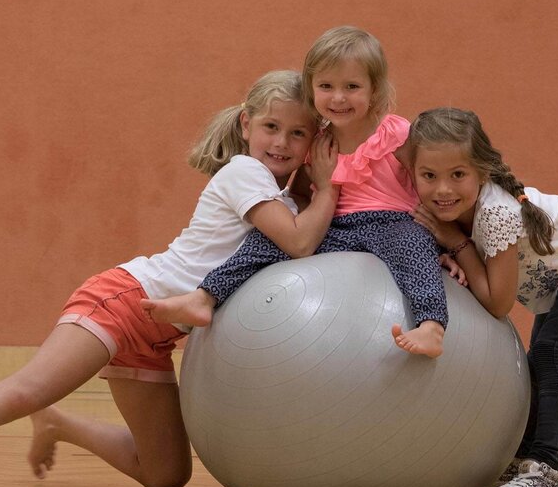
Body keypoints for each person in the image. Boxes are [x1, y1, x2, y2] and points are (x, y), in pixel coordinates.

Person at [0, 70, 340, 487]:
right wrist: (328, 189)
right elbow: (300, 242)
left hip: (156, 332)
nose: (281, 142)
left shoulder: (281, 196)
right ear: (246, 124)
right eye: (271, 126)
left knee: (164, 476)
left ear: (313, 142)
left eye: (298, 134)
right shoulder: (244, 172)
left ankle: (60, 424)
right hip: (125, 300)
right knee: (28, 389)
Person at [143, 27, 451, 357]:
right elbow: (302, 193)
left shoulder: (396, 134)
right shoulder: (317, 143)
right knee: (262, 242)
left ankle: (432, 324)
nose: (338, 97)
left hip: (392, 224)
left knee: (413, 243)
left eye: (352, 87)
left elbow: (430, 183)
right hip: (335, 227)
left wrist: (448, 244)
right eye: (326, 86)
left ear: (374, 90)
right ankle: (204, 297)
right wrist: (305, 213)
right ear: (311, 89)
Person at [401, 106, 558, 487]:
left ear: (482, 170)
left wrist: (454, 242)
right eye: (429, 176)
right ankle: (520, 464)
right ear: (413, 173)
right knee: (537, 363)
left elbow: (497, 302)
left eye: (457, 175)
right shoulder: (460, 209)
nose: (443, 189)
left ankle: (545, 471)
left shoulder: (495, 214)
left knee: (552, 354)